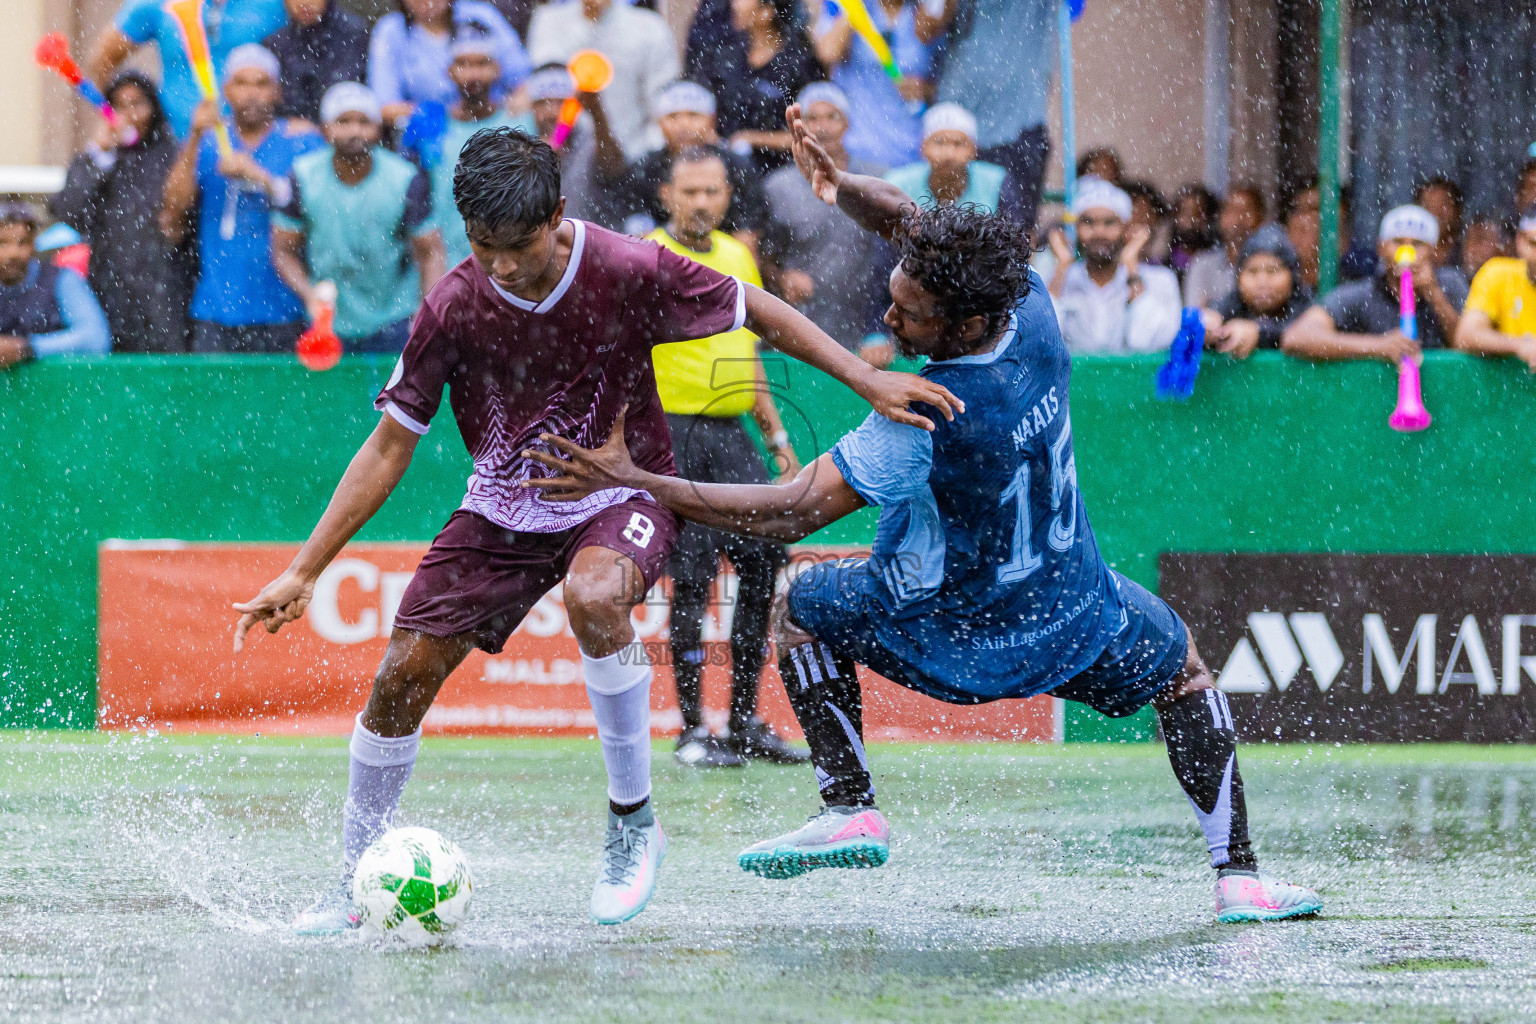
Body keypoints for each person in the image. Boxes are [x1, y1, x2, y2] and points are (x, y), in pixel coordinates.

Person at [522, 104, 1323, 925]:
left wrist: (640, 479)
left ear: (964, 322)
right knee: (1184, 669)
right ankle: (1240, 878)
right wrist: (841, 189)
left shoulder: (923, 414)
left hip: (940, 629)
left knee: (798, 607)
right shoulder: (1032, 305)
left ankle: (850, 803)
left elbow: (788, 514)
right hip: (1072, 612)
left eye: (910, 312)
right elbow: (913, 221)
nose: (892, 317)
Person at [232, 126, 960, 933]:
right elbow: (390, 444)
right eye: (483, 245)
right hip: (502, 508)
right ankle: (349, 881)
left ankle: (632, 824)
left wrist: (864, 376)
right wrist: (306, 569)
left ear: (558, 214)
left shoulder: (625, 266)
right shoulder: (452, 305)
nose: (501, 265)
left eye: (517, 245)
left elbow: (749, 305)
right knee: (403, 670)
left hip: (621, 487)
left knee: (596, 592)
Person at [644, 149, 808, 767]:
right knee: (690, 580)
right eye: (691, 191)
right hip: (674, 436)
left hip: (734, 437)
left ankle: (743, 723)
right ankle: (692, 729)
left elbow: (751, 356)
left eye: (713, 191)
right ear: (667, 194)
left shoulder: (739, 257)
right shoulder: (647, 255)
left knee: (763, 566)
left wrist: (779, 441)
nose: (703, 202)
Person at [160, 44, 325, 354]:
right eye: (242, 83)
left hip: (283, 306)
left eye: (262, 84)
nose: (251, 93)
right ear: (226, 91)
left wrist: (261, 178)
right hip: (216, 307)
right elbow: (174, 207)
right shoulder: (209, 142)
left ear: (278, 91)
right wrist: (195, 135)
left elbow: (323, 210)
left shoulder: (301, 140)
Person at [271, 84, 446, 355]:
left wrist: (428, 312)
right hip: (328, 318)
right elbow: (283, 249)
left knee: (392, 397)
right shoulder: (302, 176)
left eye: (364, 121)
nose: (355, 130)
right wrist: (308, 293)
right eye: (344, 121)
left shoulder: (405, 178)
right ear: (325, 128)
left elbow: (430, 250)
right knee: (331, 398)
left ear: (378, 129)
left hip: (393, 315)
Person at [50, 71, 193, 354]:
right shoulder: (100, 158)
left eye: (138, 104)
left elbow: (187, 217)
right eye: (119, 105)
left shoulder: (173, 156)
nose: (129, 114)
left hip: (166, 289)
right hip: (110, 287)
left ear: (154, 107)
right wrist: (99, 154)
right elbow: (67, 211)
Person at [761, 83, 888, 354]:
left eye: (832, 117)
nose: (822, 127)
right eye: (813, 118)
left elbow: (894, 256)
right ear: (799, 126)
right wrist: (782, 278)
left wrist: (880, 331)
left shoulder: (877, 180)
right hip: (801, 326)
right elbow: (762, 257)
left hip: (865, 327)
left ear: (848, 124)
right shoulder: (778, 187)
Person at [400, 34, 536, 268]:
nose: (472, 74)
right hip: (451, 264)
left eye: (482, 64)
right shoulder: (432, 128)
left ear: (497, 70)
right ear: (449, 72)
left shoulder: (521, 122)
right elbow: (419, 205)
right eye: (463, 64)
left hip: (512, 261)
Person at [1282, 204, 1467, 364]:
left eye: (1417, 244)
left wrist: (1433, 293)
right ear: (1381, 247)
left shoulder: (1451, 283)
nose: (1407, 251)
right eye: (1398, 242)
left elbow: (1465, 342)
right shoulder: (1363, 293)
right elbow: (1297, 337)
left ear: (1433, 251)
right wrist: (1378, 346)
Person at [86, 0, 288, 138]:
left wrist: (297, 118)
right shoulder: (157, 3)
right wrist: (114, 117)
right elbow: (103, 59)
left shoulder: (274, 4)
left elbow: (308, 46)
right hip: (176, 144)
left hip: (256, 144)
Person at [935, 0, 1054, 230]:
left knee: (1016, 237)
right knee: (944, 233)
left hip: (1019, 130)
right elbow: (926, 30)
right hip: (953, 127)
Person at [616, 81, 769, 250]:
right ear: (659, 122)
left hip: (722, 261)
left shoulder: (738, 167)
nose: (683, 125)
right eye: (673, 116)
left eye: (693, 115)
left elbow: (747, 236)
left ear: (712, 120)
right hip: (662, 262)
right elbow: (636, 235)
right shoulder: (644, 168)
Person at [527, 0, 680, 160]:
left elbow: (662, 107)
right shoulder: (548, 21)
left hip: (634, 157)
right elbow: (539, 96)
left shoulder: (650, 28)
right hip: (564, 158)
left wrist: (644, 161)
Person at [1044, 178, 1181, 354]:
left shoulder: (1160, 280)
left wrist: (1132, 270)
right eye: (1088, 222)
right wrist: (1061, 267)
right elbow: (1042, 341)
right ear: (1075, 228)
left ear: (1126, 228)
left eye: (1109, 223)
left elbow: (1146, 342)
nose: (1099, 232)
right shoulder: (1056, 280)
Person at [812, 0, 945, 171]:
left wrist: (925, 89)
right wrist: (854, 11)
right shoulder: (854, 8)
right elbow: (828, 53)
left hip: (909, 143)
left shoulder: (922, 16)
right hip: (859, 144)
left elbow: (944, 79)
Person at [694, 0, 821, 172]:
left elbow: (814, 130)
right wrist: (715, 140)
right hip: (726, 170)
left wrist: (753, 139)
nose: (734, 5)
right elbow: (704, 104)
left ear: (767, 12)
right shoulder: (725, 55)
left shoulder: (798, 61)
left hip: (782, 170)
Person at [370, 0, 530, 129]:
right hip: (432, 139)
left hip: (496, 126)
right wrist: (442, 118)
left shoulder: (482, 15)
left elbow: (526, 81)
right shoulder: (390, 30)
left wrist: (507, 117)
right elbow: (385, 108)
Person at [0, 204, 111, 371]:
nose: (13, 253)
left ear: (33, 243)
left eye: (22, 242)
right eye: (2, 243)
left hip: (55, 392)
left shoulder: (62, 279)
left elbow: (96, 339)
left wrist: (28, 348)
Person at [523, 64, 628, 229]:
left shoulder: (590, 139)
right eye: (543, 103)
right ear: (532, 107)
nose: (552, 112)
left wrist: (597, 112)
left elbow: (615, 170)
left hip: (590, 243)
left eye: (561, 103)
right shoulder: (521, 145)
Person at [884, 104, 1016, 220]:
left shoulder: (996, 181)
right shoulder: (897, 183)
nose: (949, 154)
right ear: (923, 148)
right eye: (939, 142)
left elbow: (1011, 238)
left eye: (958, 144)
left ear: (974, 150)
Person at [1201, 225, 1313, 360]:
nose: (1262, 282)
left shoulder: (1308, 307)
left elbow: (1302, 336)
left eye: (1273, 271)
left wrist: (1259, 334)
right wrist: (1210, 324)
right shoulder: (1233, 303)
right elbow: (1215, 312)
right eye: (1252, 272)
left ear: (1293, 276)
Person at [1453, 206, 1536, 371]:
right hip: (1510, 391)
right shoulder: (1498, 273)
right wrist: (1520, 345)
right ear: (1519, 241)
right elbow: (1466, 335)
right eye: (1534, 243)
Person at [264, 0, 370, 125]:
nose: (304, 3)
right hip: (291, 134)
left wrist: (316, 126)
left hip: (342, 133)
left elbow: (350, 95)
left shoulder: (355, 35)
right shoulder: (276, 43)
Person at [1282, 178, 1376, 288]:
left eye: (1320, 209)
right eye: (1304, 211)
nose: (1312, 219)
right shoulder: (1281, 269)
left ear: (1343, 212)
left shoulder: (1364, 266)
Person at [1183, 185, 1264, 310]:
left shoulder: (1268, 266)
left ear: (1260, 218)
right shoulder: (1202, 264)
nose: (1238, 217)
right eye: (1231, 210)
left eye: (1245, 210)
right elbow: (1195, 314)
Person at [1168, 183, 1219, 283]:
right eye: (1184, 213)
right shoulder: (1166, 263)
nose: (1190, 221)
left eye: (1197, 214)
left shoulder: (1215, 260)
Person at [1413, 175, 1464, 270]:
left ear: (1457, 210)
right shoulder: (1407, 252)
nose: (1436, 213)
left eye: (1444, 205)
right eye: (1428, 206)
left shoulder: (1465, 254)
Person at [1122, 179, 1170, 266]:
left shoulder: (1160, 267)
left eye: (1146, 214)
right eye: (1135, 211)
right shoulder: (1106, 259)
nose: (1140, 220)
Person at [1461, 216, 1509, 283]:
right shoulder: (1450, 281)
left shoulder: (1511, 286)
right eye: (1468, 238)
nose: (1471, 247)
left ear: (1500, 249)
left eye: (1480, 239)